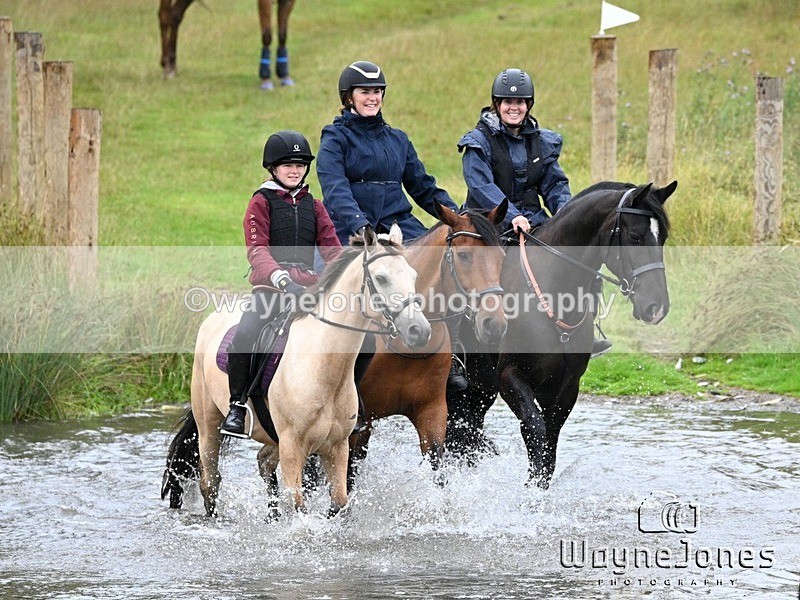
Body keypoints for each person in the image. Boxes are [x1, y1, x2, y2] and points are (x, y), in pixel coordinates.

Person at [316, 59, 468, 390]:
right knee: (329, 291)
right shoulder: (334, 139)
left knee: (445, 268)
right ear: (349, 97)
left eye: (377, 92)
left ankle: (452, 355)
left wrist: (458, 217)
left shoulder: (397, 139)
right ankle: (337, 376)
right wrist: (362, 227)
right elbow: (336, 190)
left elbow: (423, 187)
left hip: (400, 228)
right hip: (354, 233)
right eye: (365, 92)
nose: (372, 98)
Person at [458, 68, 611, 357]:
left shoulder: (542, 141)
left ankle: (586, 331)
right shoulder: (478, 142)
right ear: (496, 104)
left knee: (578, 260)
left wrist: (567, 217)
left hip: (534, 222)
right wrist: (512, 215)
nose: (513, 108)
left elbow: (554, 184)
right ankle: (458, 345)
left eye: (520, 102)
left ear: (529, 105)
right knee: (472, 270)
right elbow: (480, 185)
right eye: (506, 102)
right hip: (489, 224)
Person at [220, 130, 341, 438]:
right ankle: (237, 405)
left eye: (300, 165)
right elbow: (256, 250)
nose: (294, 170)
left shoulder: (315, 206)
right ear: (273, 168)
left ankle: (349, 400)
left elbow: (333, 251)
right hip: (271, 289)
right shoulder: (260, 202)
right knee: (247, 332)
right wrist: (281, 279)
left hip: (308, 290)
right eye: (287, 164)